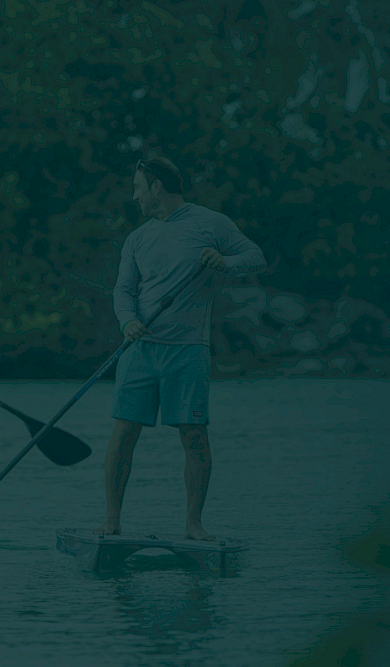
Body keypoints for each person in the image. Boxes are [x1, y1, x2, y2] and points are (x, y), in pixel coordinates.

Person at [98, 156, 265, 539]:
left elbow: (255, 256)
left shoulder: (211, 223)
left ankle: (193, 525)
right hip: (140, 349)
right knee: (123, 434)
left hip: (188, 351)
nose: (134, 196)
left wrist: (224, 262)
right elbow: (123, 291)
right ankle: (111, 521)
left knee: (194, 435)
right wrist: (127, 321)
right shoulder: (137, 238)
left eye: (138, 187)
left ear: (157, 187)